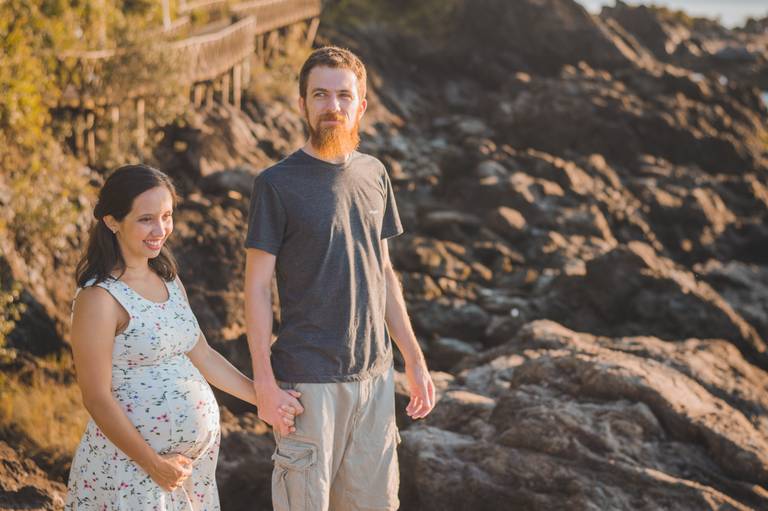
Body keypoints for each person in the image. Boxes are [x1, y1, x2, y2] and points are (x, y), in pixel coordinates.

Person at [244, 46, 436, 511]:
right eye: (321, 95)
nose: (333, 107)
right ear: (302, 104)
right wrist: (264, 385)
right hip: (307, 385)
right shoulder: (276, 184)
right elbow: (255, 289)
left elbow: (384, 273)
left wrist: (414, 358)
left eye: (343, 96)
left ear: (361, 105)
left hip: (375, 380)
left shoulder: (375, 174)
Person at [65, 164, 297, 510]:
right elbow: (96, 397)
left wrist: (265, 398)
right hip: (131, 469)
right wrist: (153, 464)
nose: (160, 229)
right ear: (113, 221)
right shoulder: (99, 298)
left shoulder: (169, 282)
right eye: (146, 219)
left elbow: (202, 355)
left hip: (190, 474)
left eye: (167, 216)